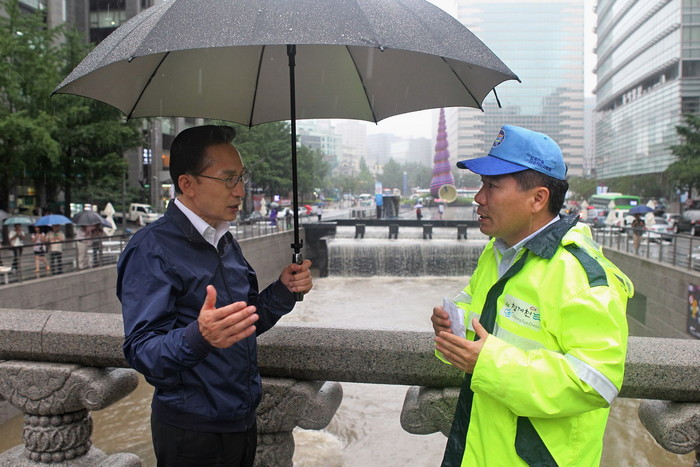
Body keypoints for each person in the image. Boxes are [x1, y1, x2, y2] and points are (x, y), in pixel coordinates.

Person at [430, 125, 633, 467]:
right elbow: (482, 312)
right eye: (482, 185)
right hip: (480, 447)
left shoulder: (581, 275)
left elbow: (597, 383)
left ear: (537, 198)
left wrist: (489, 364)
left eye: (492, 186)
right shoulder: (498, 252)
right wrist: (452, 322)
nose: (479, 198)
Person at [117, 125, 313, 467]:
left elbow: (245, 321)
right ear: (188, 184)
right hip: (191, 430)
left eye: (242, 177)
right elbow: (142, 351)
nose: (240, 190)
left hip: (241, 419)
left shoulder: (224, 240)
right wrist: (199, 337)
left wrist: (282, 291)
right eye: (228, 179)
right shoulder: (152, 248)